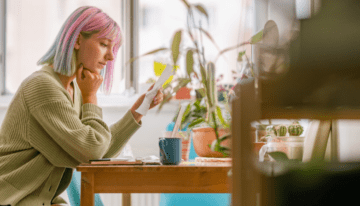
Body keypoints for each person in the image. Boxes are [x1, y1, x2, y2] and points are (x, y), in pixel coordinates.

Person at [0, 6, 163, 206]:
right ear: (77, 40)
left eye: (113, 49)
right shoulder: (43, 87)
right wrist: (91, 96)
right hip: (13, 199)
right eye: (104, 44)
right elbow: (93, 150)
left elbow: (99, 150)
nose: (111, 57)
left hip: (40, 200)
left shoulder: (72, 88)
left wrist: (137, 112)